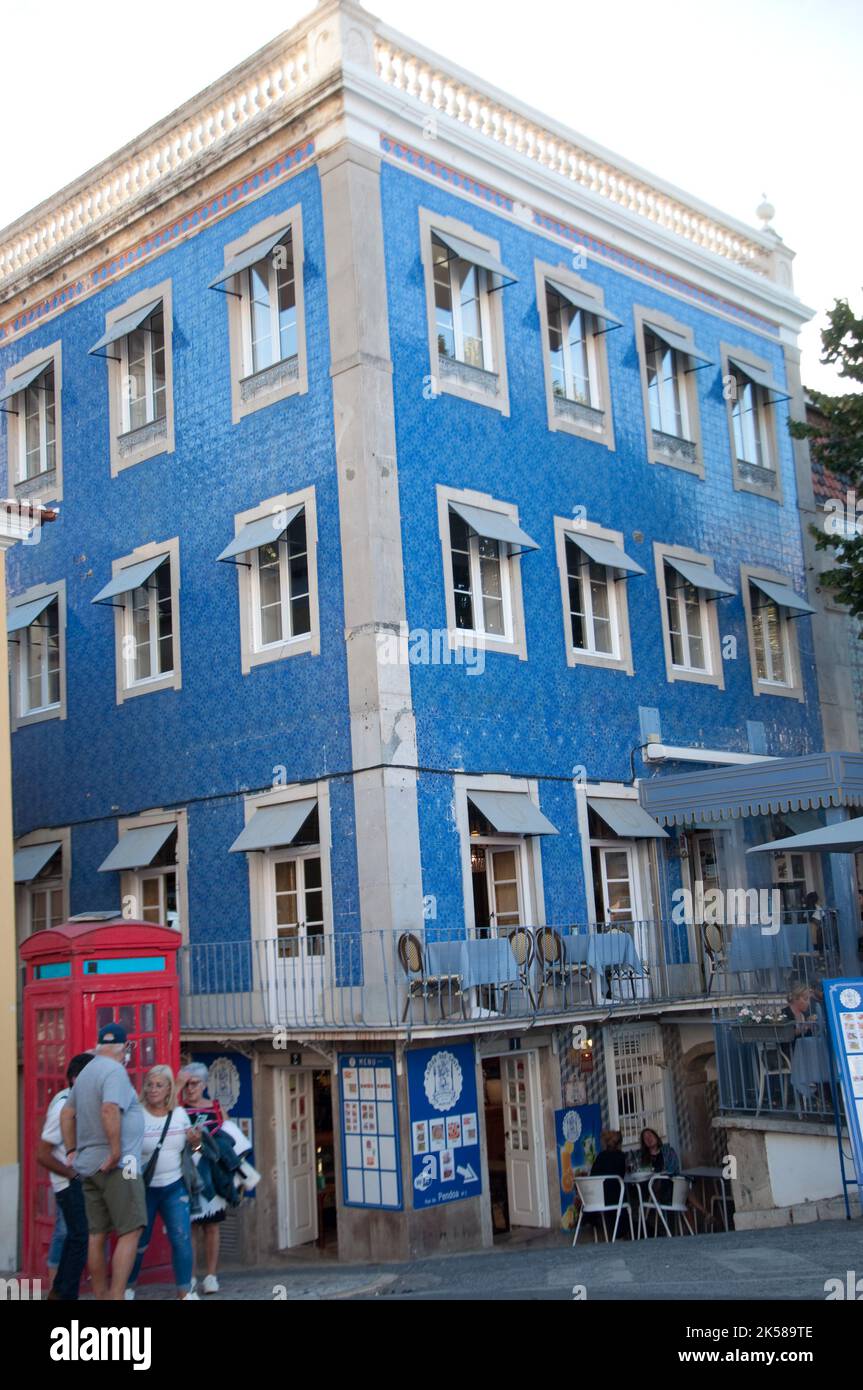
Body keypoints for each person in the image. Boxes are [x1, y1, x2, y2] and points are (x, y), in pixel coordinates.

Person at [60, 1024, 146, 1301]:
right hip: (122, 1165)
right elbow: (109, 1109)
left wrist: (72, 1150)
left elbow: (66, 1113)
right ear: (124, 1048)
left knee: (96, 1234)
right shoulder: (115, 1071)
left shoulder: (86, 1072)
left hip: (89, 1166)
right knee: (132, 1230)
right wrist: (117, 1152)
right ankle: (116, 1296)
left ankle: (100, 1296)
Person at [126, 1066, 199, 1301]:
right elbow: (127, 1152)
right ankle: (127, 1286)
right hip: (145, 1188)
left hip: (174, 1186)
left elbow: (194, 1150)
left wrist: (196, 1142)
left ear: (169, 1088)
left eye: (159, 1085)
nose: (153, 1089)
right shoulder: (137, 1115)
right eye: (149, 1084)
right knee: (139, 1242)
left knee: (181, 1237)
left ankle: (184, 1292)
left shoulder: (179, 1115)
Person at [178, 1063, 252, 1295]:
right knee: (189, 1229)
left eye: (195, 1084)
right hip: (188, 1173)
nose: (191, 1089)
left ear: (205, 1085)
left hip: (214, 1172)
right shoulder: (178, 1111)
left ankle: (211, 1275)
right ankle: (188, 1277)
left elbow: (233, 1140)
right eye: (186, 1084)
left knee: (212, 1226)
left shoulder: (217, 1109)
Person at [38, 1052, 94, 1300]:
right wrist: (72, 1175)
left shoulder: (84, 1103)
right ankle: (64, 1293)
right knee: (78, 1237)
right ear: (75, 1078)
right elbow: (42, 1154)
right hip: (68, 1183)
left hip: (83, 1181)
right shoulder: (63, 1106)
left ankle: (59, 1291)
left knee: (77, 1237)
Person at [588, 1129, 627, 1229]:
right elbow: (622, 1176)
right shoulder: (621, 1157)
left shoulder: (600, 1157)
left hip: (594, 1202)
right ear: (619, 1144)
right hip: (615, 1200)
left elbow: (592, 1177)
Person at [639, 1127, 680, 1209]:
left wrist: (664, 1173)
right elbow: (643, 1173)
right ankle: (705, 1213)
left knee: (682, 1189)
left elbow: (674, 1168)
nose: (648, 1139)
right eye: (645, 1138)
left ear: (656, 1137)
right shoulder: (644, 1158)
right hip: (654, 1188)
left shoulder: (668, 1151)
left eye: (650, 1135)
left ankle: (705, 1214)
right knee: (682, 1193)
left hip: (671, 1182)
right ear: (644, 1143)